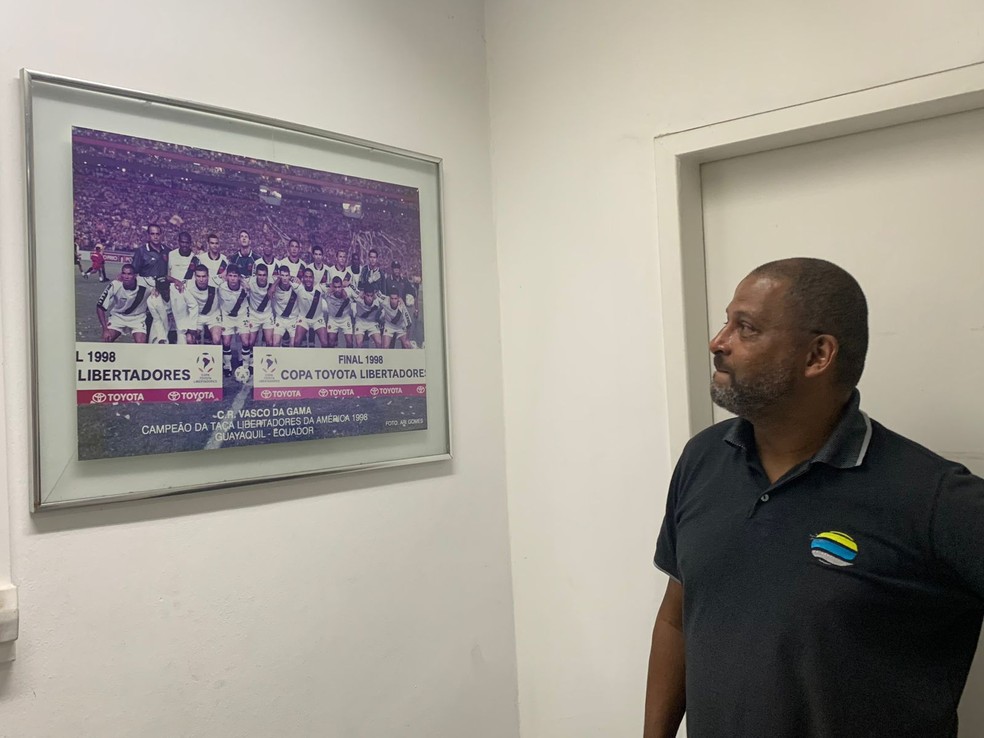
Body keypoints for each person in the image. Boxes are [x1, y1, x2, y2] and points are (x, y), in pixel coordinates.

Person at [645, 258, 984, 738]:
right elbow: (677, 619)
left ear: (817, 355)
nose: (718, 342)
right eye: (726, 322)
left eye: (746, 328)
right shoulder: (703, 458)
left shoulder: (933, 497)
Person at [130, 224, 170, 343]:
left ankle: (160, 342)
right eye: (152, 234)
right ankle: (146, 345)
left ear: (161, 235)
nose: (155, 236)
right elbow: (134, 271)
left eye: (158, 234)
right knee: (147, 319)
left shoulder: (167, 251)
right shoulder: (141, 251)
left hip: (162, 290)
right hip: (146, 290)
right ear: (148, 235)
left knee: (162, 319)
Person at [96, 264, 149, 343]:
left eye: (129, 274)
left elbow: (161, 281)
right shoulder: (115, 285)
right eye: (124, 273)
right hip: (118, 317)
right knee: (107, 340)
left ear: (135, 276)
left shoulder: (145, 283)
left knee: (141, 344)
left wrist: (156, 289)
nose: (126, 277)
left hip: (138, 318)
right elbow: (100, 307)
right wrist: (105, 329)